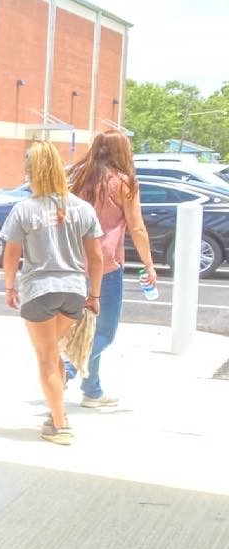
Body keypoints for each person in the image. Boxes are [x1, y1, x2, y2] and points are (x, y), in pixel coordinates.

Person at [0, 140, 104, 444]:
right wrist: (94, 295)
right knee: (54, 350)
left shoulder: (25, 209)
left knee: (45, 358)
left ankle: (60, 426)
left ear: (31, 172)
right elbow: (96, 257)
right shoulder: (82, 208)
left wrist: (9, 287)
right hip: (73, 291)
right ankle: (58, 412)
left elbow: (10, 256)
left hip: (39, 291)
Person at [65, 131, 158, 406]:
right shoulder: (124, 183)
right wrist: (149, 265)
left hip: (72, 261)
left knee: (85, 328)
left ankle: (92, 390)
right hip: (104, 265)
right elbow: (137, 227)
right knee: (105, 332)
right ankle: (67, 369)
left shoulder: (77, 177)